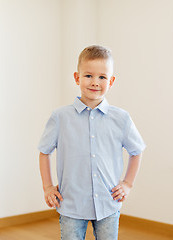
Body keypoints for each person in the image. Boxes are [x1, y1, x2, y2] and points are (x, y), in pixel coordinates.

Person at [38, 45, 145, 240]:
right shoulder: (60, 117)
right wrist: (47, 187)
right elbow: (44, 151)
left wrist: (128, 184)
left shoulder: (121, 118)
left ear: (111, 81)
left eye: (102, 77)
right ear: (77, 77)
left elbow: (136, 151)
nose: (95, 82)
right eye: (88, 76)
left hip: (108, 204)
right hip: (71, 204)